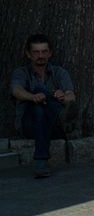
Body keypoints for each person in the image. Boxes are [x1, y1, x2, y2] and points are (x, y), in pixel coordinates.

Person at [11, 34, 77, 178]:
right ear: (28, 54)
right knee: (38, 102)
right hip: (30, 125)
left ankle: (41, 162)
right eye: (36, 52)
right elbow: (16, 90)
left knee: (43, 105)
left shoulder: (59, 73)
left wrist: (63, 97)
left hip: (55, 127)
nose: (40, 56)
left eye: (44, 52)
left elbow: (71, 96)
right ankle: (59, 115)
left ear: (50, 53)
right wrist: (32, 97)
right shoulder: (22, 73)